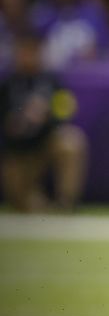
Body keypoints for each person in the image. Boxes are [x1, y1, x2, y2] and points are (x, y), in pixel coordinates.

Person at [0, 34, 87, 212]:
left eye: (33, 51)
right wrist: (19, 119)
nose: (29, 57)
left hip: (46, 144)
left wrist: (47, 115)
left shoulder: (51, 80)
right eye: (25, 51)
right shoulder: (8, 84)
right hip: (19, 154)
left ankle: (66, 202)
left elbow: (67, 110)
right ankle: (41, 204)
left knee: (71, 141)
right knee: (28, 207)